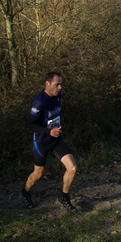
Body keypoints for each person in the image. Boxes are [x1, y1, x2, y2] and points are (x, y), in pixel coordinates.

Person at [20, 71, 78, 212]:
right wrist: (48, 131)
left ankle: (64, 197)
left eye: (61, 85)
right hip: (41, 141)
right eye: (57, 84)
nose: (60, 88)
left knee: (72, 168)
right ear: (47, 84)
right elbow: (31, 124)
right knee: (38, 174)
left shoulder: (58, 97)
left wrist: (54, 129)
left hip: (56, 139)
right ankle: (25, 192)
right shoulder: (39, 101)